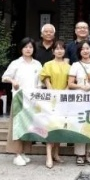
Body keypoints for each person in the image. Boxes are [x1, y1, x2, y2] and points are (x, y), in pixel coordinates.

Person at [2, 37, 42, 166]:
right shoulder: (16, 63)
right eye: (25, 47)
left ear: (34, 49)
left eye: (30, 47)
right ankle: (16, 154)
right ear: (21, 49)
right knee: (17, 126)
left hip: (32, 100)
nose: (28, 49)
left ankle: (23, 152)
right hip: (18, 99)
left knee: (27, 126)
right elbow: (4, 77)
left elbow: (39, 84)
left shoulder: (37, 64)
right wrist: (13, 81)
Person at [68, 40, 90, 166]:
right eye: (82, 49)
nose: (85, 51)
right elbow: (70, 84)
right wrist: (81, 87)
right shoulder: (75, 65)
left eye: (87, 48)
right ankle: (80, 154)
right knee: (81, 126)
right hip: (80, 101)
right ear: (79, 51)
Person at [39, 40, 69, 168]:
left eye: (61, 48)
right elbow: (46, 79)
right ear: (53, 51)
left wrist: (64, 92)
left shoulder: (68, 66)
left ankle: (56, 153)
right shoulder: (48, 64)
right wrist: (53, 92)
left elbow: (70, 82)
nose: (59, 51)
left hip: (64, 100)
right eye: (57, 48)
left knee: (59, 127)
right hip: (50, 100)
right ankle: (48, 156)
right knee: (50, 128)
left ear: (64, 51)